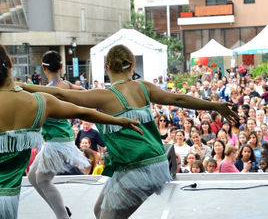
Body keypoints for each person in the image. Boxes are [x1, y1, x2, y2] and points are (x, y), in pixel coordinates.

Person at [20, 44, 239, 219]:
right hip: (138, 164)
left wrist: (20, 87)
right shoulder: (143, 87)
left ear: (107, 65)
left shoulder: (104, 96)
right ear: (131, 65)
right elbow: (180, 99)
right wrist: (214, 105)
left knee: (106, 216)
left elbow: (61, 95)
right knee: (99, 211)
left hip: (142, 167)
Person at [0, 45, 141, 219]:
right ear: (61, 66)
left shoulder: (44, 92)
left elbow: (76, 104)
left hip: (57, 141)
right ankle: (60, 210)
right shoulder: (59, 87)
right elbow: (80, 99)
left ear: (43, 68)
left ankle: (61, 214)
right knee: (34, 178)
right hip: (58, 139)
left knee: (41, 180)